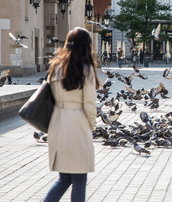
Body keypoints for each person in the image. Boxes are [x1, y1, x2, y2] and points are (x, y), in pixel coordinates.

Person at [44, 27, 99, 202]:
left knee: (64, 178)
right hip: (77, 123)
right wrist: (91, 125)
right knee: (79, 179)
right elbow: (89, 103)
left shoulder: (55, 67)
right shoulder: (86, 69)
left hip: (57, 122)